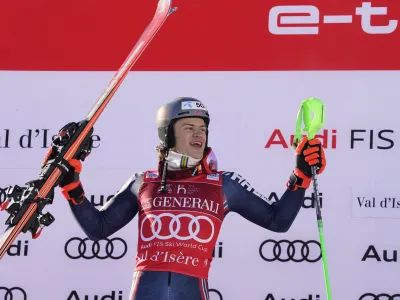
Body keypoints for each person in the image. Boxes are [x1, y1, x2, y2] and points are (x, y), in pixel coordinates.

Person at [46, 97, 326, 300]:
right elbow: (99, 228)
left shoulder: (224, 184)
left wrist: (300, 176)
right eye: (188, 127)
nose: (198, 134)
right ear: (167, 134)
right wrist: (72, 186)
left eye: (202, 128)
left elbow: (278, 221)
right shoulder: (144, 182)